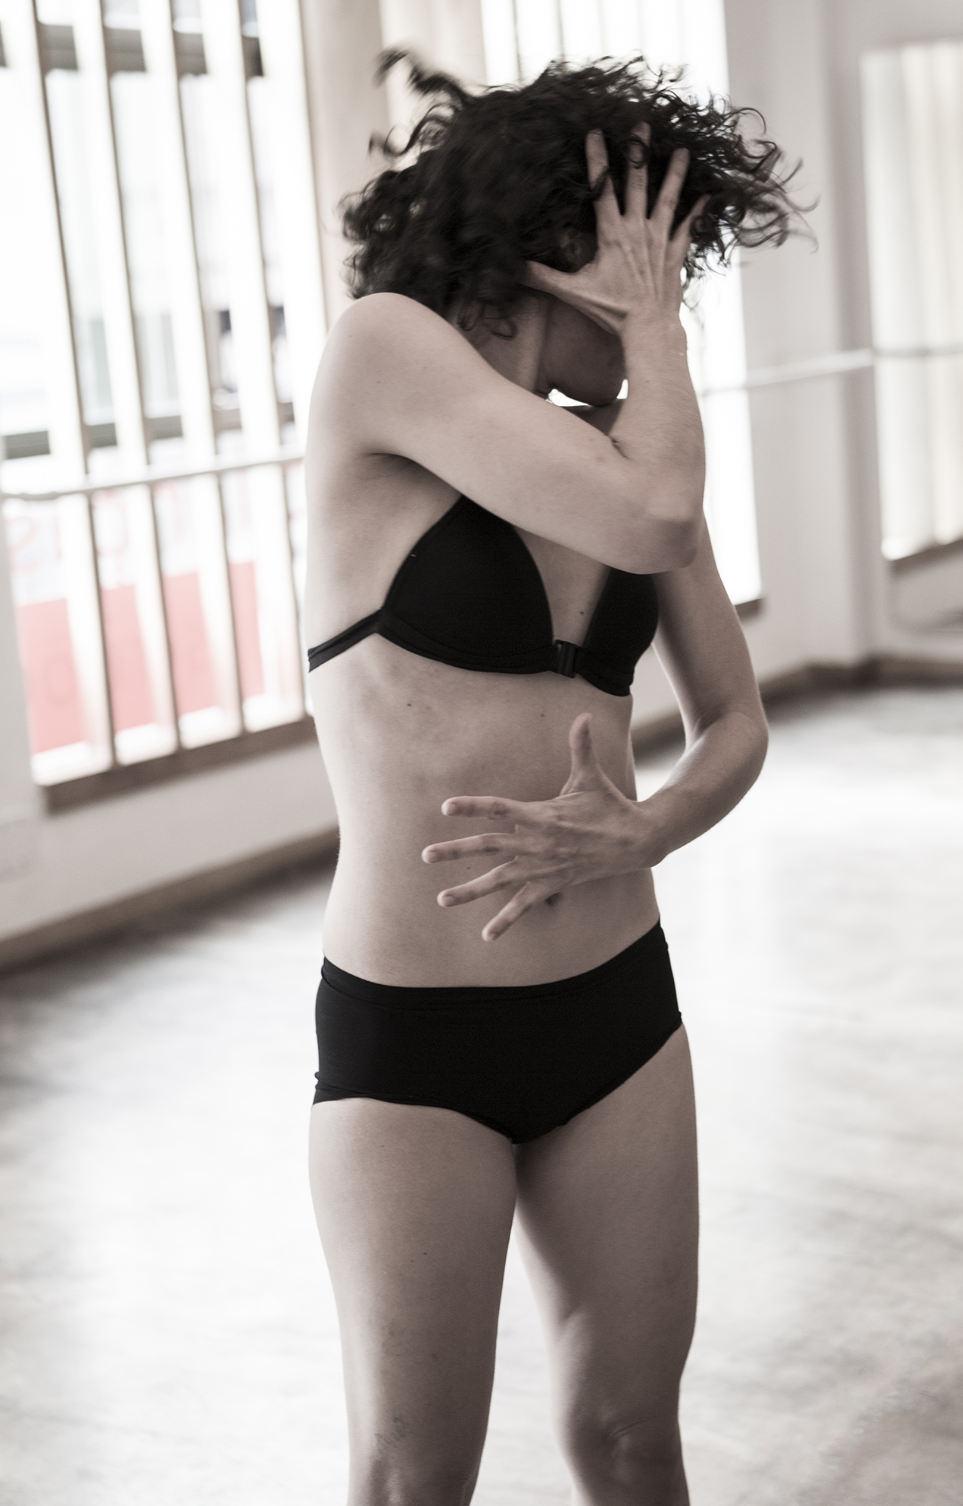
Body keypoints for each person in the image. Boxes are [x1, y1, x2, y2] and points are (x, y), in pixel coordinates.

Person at [302, 55, 797, 1506]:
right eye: (653, 265)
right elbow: (655, 515)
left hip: (617, 1021)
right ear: (557, 244)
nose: (666, 305)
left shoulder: (621, 456)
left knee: (635, 1437)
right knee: (415, 1472)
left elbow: (735, 722)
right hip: (417, 1038)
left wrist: (645, 829)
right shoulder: (382, 351)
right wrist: (658, 336)